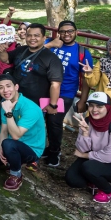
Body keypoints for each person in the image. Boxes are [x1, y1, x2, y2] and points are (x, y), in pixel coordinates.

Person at [0, 24, 64, 165]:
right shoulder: (20, 50)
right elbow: (5, 59)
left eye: (36, 35)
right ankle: (11, 150)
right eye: (29, 35)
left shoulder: (51, 59)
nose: (32, 38)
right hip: (14, 98)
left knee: (30, 129)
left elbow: (55, 84)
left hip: (35, 103)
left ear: (44, 38)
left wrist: (53, 104)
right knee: (10, 123)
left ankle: (31, 155)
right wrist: (1, 50)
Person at [0, 74, 46, 191]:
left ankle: (16, 174)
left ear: (16, 87)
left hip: (30, 148)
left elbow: (16, 135)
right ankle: (11, 161)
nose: (5, 90)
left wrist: (8, 112)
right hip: (10, 144)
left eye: (8, 86)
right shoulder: (5, 103)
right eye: (1, 87)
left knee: (9, 143)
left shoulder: (30, 108)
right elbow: (3, 130)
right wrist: (0, 149)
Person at [65, 92, 111, 203]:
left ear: (107, 108)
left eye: (99, 106)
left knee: (89, 167)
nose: (94, 109)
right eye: (91, 105)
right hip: (95, 159)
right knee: (72, 179)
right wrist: (85, 133)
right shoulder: (87, 122)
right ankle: (94, 181)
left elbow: (109, 156)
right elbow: (81, 149)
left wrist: (84, 155)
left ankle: (108, 191)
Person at [41, 20, 94, 165]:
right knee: (40, 119)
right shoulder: (49, 43)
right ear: (59, 33)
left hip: (65, 93)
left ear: (76, 32)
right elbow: (32, 53)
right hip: (44, 90)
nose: (67, 34)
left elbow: (86, 80)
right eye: (63, 31)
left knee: (54, 121)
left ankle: (54, 152)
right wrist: (50, 45)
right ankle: (42, 147)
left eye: (70, 31)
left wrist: (83, 100)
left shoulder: (83, 53)